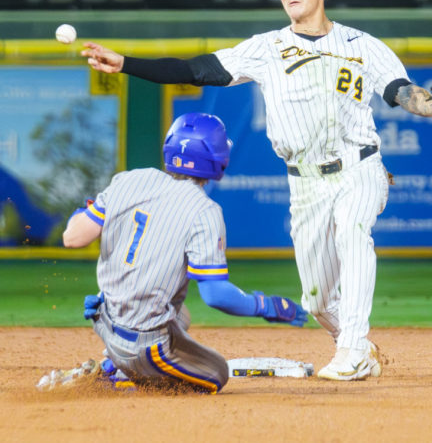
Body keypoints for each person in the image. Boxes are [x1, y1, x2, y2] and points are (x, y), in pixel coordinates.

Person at [82, 0, 432, 381]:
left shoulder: (363, 46)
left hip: (359, 166)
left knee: (353, 230)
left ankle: (351, 349)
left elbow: (402, 92)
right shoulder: (266, 49)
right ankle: (358, 349)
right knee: (316, 300)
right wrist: (127, 64)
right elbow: (193, 70)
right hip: (305, 183)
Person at [45, 111, 308, 394]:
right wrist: (266, 306)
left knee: (179, 314)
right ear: (217, 158)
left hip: (104, 319)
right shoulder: (205, 211)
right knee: (217, 375)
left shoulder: (132, 178)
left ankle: (110, 365)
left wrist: (81, 213)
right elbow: (215, 295)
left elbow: (73, 237)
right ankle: (120, 379)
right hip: (144, 347)